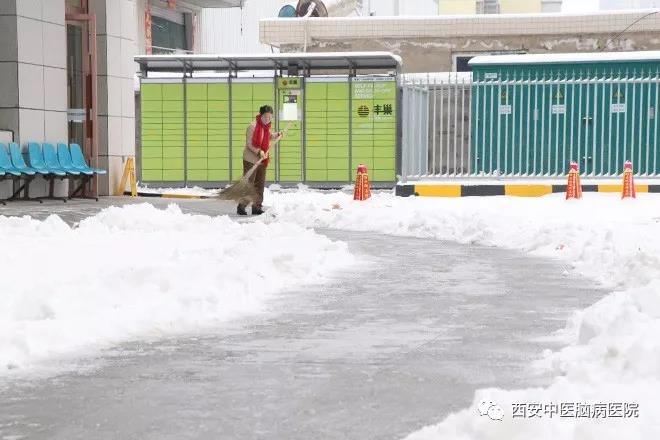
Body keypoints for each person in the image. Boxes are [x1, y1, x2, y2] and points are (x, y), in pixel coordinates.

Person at [237, 105, 282, 216]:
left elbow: (268, 136)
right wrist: (259, 151)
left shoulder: (266, 127)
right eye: (266, 116)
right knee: (249, 184)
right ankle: (242, 206)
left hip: (262, 159)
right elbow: (249, 144)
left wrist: (277, 135)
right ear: (260, 115)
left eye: (270, 117)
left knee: (259, 184)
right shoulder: (252, 126)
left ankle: (257, 207)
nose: (268, 119)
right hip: (251, 159)